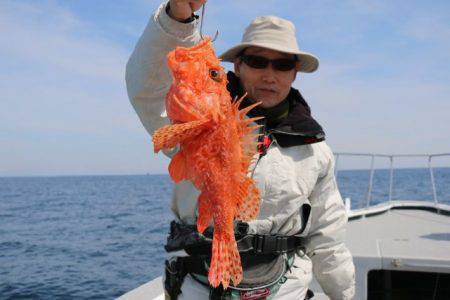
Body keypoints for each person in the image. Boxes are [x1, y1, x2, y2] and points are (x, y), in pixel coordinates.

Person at [126, 0, 355, 299]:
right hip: (197, 286)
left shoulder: (315, 149)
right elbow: (147, 87)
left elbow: (328, 236)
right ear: (238, 65)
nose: (269, 75)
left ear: (295, 73)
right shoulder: (193, 117)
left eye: (283, 64)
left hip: (285, 290)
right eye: (258, 61)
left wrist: (345, 294)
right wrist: (178, 18)